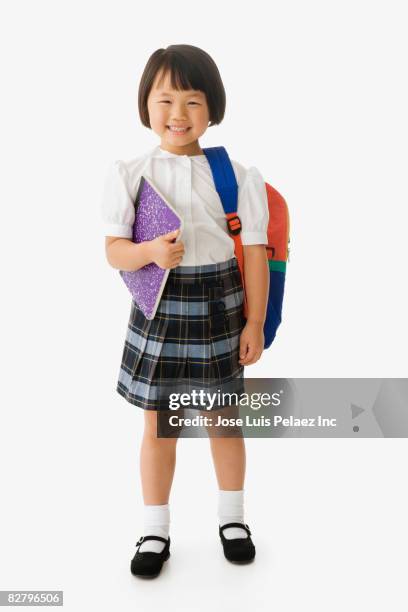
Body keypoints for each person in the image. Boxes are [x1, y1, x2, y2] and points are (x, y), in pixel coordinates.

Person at [101, 44, 269, 578]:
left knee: (223, 421)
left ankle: (233, 518)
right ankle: (155, 528)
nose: (177, 115)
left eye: (192, 101)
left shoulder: (237, 176)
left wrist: (256, 322)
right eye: (164, 99)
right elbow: (114, 252)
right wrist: (149, 253)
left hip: (219, 308)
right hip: (162, 312)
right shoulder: (131, 172)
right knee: (159, 427)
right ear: (145, 105)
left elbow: (256, 254)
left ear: (213, 108)